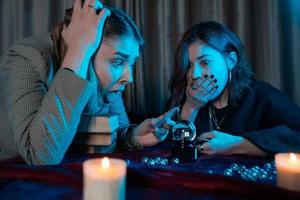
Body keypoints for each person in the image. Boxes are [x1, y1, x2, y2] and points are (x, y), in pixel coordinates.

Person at [0, 0, 171, 165]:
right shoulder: (28, 57)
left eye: (131, 63)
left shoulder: (109, 83)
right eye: (118, 62)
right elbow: (40, 155)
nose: (129, 78)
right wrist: (78, 51)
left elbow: (112, 128)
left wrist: (131, 136)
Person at [167, 21, 300, 156]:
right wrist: (190, 108)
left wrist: (237, 145)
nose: (194, 74)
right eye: (189, 66)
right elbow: (168, 151)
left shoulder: (262, 96)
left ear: (231, 61)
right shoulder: (183, 97)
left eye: (205, 62)